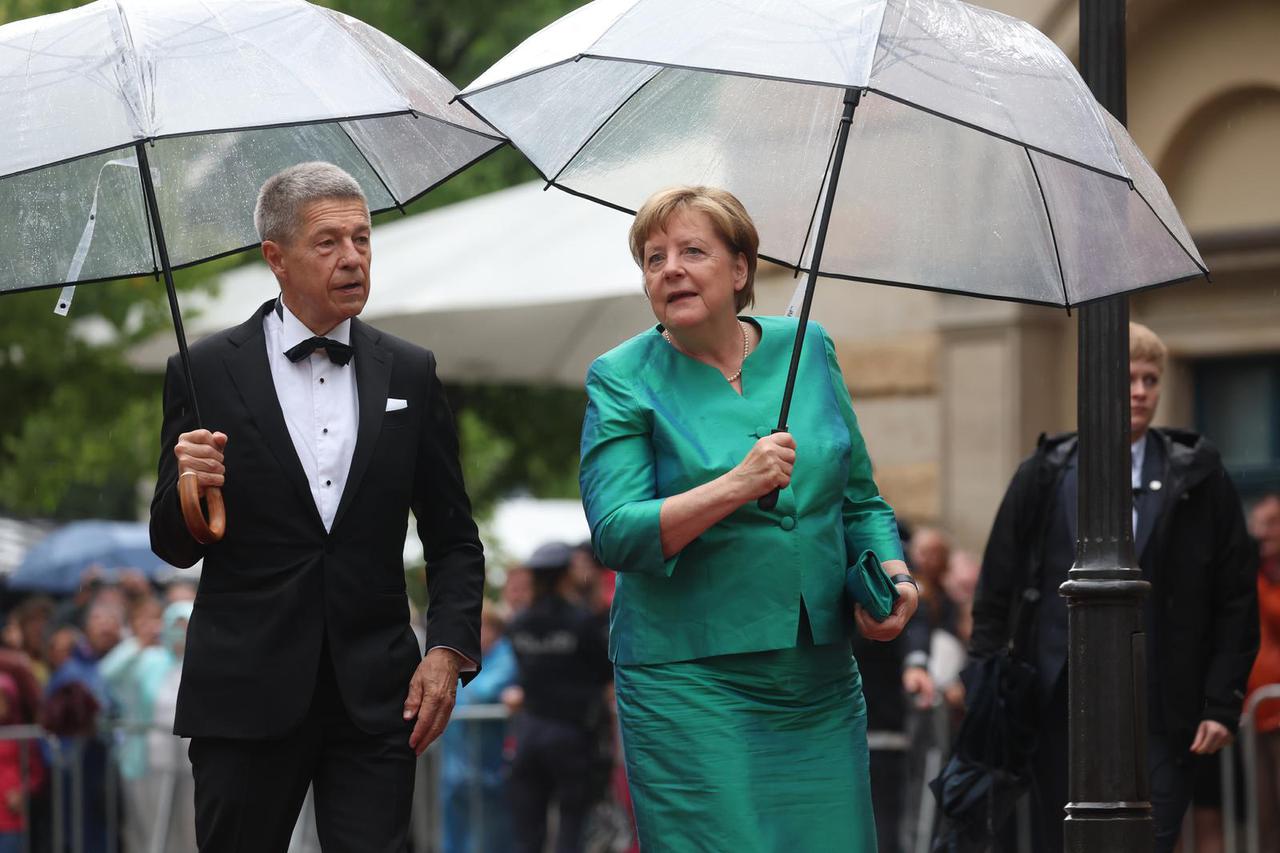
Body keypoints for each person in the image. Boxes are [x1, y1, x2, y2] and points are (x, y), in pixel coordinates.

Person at [148, 161, 486, 853]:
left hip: (377, 697)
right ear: (277, 257)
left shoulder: (412, 371)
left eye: (362, 239)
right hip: (244, 693)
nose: (353, 257)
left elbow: (453, 536)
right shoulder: (203, 370)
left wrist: (448, 649)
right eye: (328, 242)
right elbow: (173, 544)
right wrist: (189, 486)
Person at [578, 185, 918, 852]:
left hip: (815, 676)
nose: (669, 267)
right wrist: (735, 485)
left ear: (740, 270)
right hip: (688, 677)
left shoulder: (808, 348)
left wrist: (898, 579)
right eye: (653, 257)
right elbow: (616, 530)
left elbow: (861, 500)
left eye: (692, 250)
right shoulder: (620, 377)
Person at [969, 321, 1258, 853]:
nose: (1142, 391)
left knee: (1150, 840)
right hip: (1058, 707)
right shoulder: (1044, 473)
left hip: (1164, 709)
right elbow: (998, 586)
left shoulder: (1197, 475)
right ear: (1096, 382)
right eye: (1129, 377)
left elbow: (1234, 596)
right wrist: (987, 680)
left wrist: (1222, 702)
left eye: (1151, 379)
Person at [505, 542, 613, 853]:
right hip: (572, 735)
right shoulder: (582, 622)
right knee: (572, 827)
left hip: (529, 733)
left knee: (528, 833)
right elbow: (605, 670)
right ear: (566, 574)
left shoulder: (520, 622)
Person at [439, 603, 517, 853]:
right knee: (456, 835)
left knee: (489, 838)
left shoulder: (505, 656)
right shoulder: (470, 659)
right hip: (457, 769)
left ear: (494, 630)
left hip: (489, 769)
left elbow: (479, 693)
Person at [1246, 493, 1280, 849]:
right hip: (1258, 711)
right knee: (1265, 814)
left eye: (1271, 523)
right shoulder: (1254, 571)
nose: (1262, 532)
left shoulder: (1267, 578)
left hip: (1277, 708)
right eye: (1258, 523)